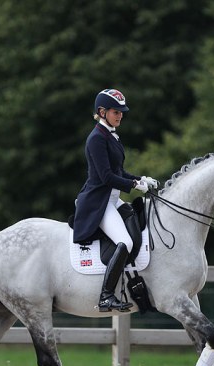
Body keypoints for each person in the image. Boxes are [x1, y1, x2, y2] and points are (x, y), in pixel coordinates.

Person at [73, 88, 158, 312]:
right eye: (115, 111)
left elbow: (119, 171)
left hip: (113, 199)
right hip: (99, 202)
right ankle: (106, 296)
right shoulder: (96, 139)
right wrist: (133, 185)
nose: (120, 115)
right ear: (102, 112)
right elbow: (107, 177)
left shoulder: (110, 135)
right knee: (125, 242)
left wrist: (140, 179)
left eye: (121, 112)